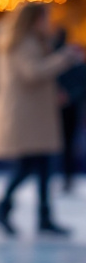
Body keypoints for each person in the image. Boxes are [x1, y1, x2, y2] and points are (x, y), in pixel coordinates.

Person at [0, 3, 83, 236]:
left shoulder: (29, 41)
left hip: (33, 112)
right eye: (44, 19)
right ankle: (8, 209)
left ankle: (36, 214)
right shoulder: (21, 42)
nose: (48, 23)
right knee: (31, 164)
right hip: (25, 114)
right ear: (34, 19)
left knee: (40, 164)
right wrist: (64, 58)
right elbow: (32, 72)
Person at [54, 28, 86, 192]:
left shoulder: (60, 60)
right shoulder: (58, 61)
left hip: (67, 108)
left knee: (65, 145)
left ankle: (66, 177)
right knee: (64, 145)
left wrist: (68, 96)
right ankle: (65, 177)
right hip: (63, 108)